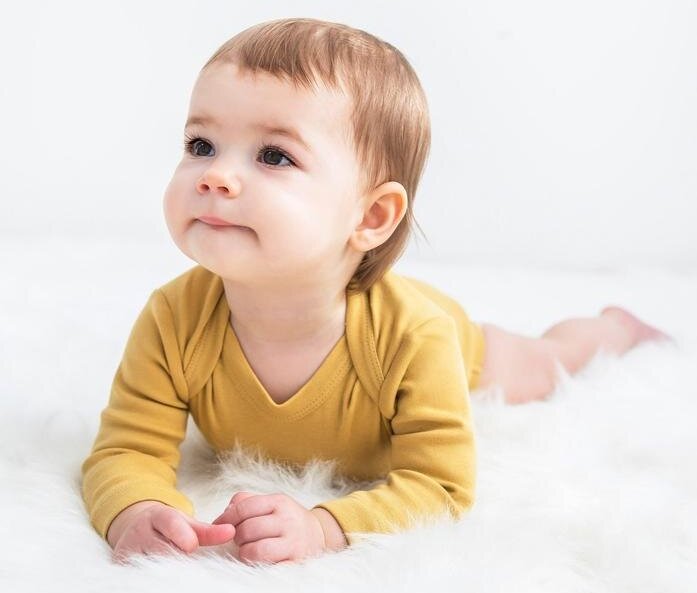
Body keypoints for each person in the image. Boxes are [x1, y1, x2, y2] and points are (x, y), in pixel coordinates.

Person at [81, 17, 668, 567]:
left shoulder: (417, 337)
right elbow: (125, 450)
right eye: (200, 145)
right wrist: (135, 508)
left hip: (459, 345)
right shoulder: (172, 319)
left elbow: (440, 486)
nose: (214, 175)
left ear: (372, 214)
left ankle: (612, 326)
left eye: (274, 155)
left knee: (544, 363)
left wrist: (324, 527)